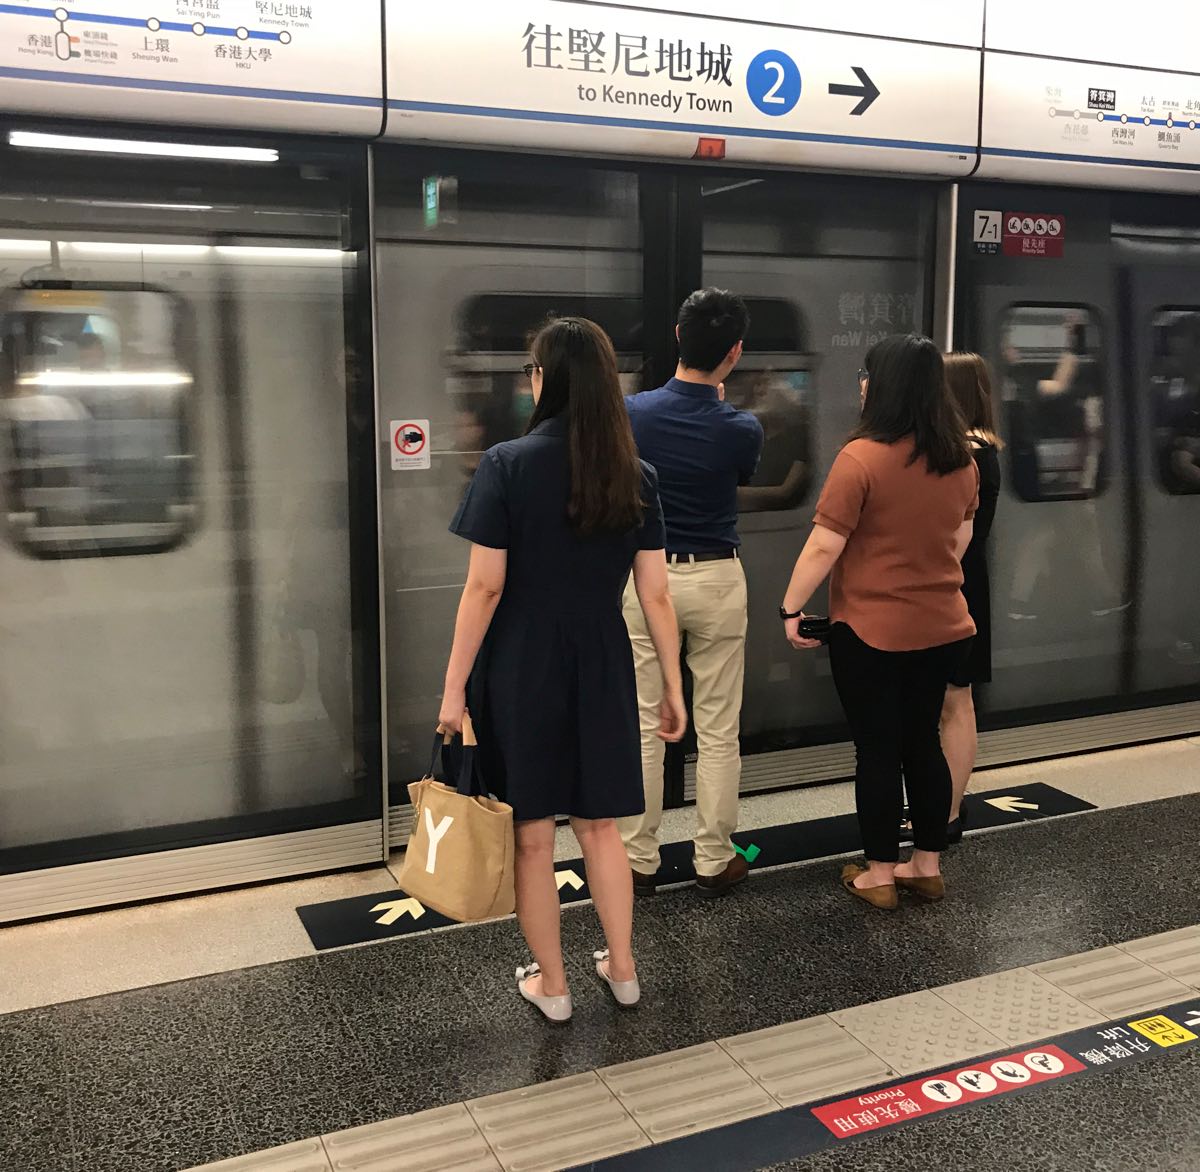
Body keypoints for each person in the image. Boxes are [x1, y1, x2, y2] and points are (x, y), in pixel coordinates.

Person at [440, 316, 687, 1023]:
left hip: (522, 666)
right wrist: (671, 684)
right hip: (604, 661)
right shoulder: (634, 475)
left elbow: (484, 588)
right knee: (601, 827)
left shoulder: (507, 465)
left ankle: (553, 984)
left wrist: (454, 688)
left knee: (533, 835)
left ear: (542, 381)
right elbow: (656, 591)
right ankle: (625, 967)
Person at [780, 334, 977, 909]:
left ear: (883, 386)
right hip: (943, 626)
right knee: (923, 742)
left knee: (878, 751)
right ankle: (927, 866)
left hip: (870, 632)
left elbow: (823, 547)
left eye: (867, 375)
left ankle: (879, 874)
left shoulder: (860, 458)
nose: (861, 384)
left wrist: (791, 609)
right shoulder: (960, 461)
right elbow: (956, 544)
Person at [620, 288, 764, 897]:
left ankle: (635, 861)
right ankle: (713, 859)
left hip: (646, 578)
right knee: (718, 726)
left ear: (678, 337)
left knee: (645, 722)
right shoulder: (742, 428)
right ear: (734, 353)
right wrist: (719, 409)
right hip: (717, 577)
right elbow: (738, 476)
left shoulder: (630, 414)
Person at [940, 353, 1003, 843]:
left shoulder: (967, 453)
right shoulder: (985, 448)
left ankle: (949, 810)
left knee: (955, 701)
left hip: (954, 581)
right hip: (967, 579)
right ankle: (946, 805)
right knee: (955, 700)